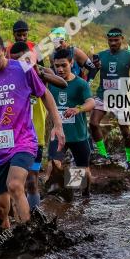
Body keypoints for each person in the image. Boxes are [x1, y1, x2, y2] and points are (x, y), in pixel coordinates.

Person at [0, 33, 65, 229]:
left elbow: (45, 94)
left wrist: (58, 124)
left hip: (23, 141)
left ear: (5, 52)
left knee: (16, 185)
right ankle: (7, 244)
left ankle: (28, 236)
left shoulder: (22, 68)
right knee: (1, 209)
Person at [9, 41, 68, 211]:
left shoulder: (40, 72)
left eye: (21, 60)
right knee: (12, 182)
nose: (17, 64)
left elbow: (62, 83)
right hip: (13, 138)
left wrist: (38, 73)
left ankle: (34, 216)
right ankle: (14, 215)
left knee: (32, 180)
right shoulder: (8, 76)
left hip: (36, 139)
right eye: (13, 60)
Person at [90, 28, 130, 170]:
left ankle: (129, 160)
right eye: (110, 40)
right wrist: (92, 68)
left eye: (116, 40)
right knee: (93, 123)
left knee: (125, 131)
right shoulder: (100, 56)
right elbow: (90, 73)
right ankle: (103, 155)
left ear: (121, 39)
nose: (113, 43)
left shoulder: (129, 56)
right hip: (102, 96)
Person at [47, 48, 95, 196]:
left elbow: (91, 102)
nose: (60, 69)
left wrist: (77, 109)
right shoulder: (51, 83)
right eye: (57, 66)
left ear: (71, 63)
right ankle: (55, 194)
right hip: (58, 134)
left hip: (78, 136)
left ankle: (85, 194)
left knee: (83, 171)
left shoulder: (81, 84)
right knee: (53, 165)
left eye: (64, 65)